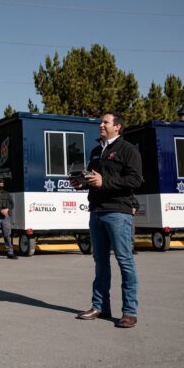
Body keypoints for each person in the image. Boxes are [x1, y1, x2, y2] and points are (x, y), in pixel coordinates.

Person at [71, 111, 142, 329]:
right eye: (101, 122)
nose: (101, 124)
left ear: (118, 127)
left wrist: (105, 181)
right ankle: (100, 306)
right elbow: (95, 179)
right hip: (97, 211)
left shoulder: (128, 150)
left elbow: (135, 179)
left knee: (125, 261)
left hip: (118, 212)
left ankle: (129, 312)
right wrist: (81, 182)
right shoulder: (95, 150)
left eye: (105, 122)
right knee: (100, 262)